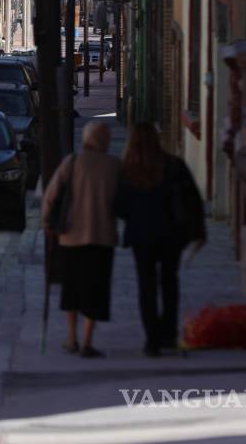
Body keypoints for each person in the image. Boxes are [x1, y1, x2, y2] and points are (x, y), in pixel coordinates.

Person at [115, 122, 206, 357]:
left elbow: (119, 207)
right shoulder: (174, 165)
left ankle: (151, 340)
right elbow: (192, 199)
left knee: (146, 286)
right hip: (171, 233)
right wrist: (197, 231)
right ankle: (168, 333)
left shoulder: (126, 171)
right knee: (169, 282)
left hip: (141, 236)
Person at [41, 120, 120, 358]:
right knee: (95, 290)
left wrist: (47, 223)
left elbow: (51, 196)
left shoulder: (72, 162)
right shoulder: (115, 166)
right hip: (102, 237)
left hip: (71, 237)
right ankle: (87, 340)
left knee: (72, 289)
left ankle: (71, 337)